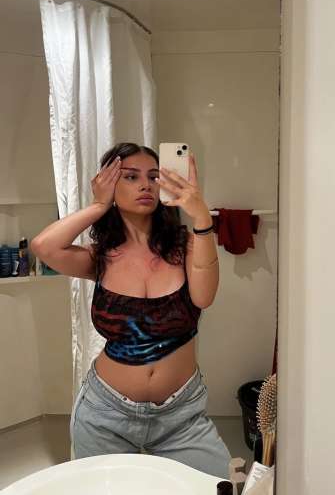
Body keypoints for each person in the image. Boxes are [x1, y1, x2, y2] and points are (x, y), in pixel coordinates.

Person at [31, 142, 231, 478]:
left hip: (181, 417)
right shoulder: (100, 257)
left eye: (153, 176)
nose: (145, 185)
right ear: (110, 184)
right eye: (131, 176)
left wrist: (201, 217)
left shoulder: (186, 244)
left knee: (218, 484)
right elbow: (43, 247)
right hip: (105, 413)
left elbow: (204, 297)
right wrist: (99, 204)